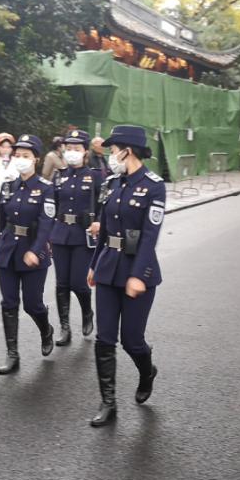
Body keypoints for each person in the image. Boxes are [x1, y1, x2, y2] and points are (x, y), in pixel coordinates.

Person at [87, 124, 164, 427]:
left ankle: (147, 371)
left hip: (137, 271)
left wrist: (138, 275)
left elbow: (149, 236)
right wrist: (94, 264)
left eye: (113, 149)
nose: (110, 155)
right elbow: (104, 232)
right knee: (104, 338)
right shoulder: (111, 184)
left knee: (131, 340)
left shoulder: (154, 185)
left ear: (127, 150)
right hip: (107, 268)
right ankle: (108, 402)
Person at [0, 133, 56, 374]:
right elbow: (1, 220)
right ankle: (12, 354)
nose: (20, 159)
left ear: (36, 160)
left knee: (32, 304)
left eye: (26, 156)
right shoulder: (8, 186)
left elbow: (47, 223)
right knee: (9, 302)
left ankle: (45, 329)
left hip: (33, 252)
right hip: (8, 251)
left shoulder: (45, 189)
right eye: (17, 155)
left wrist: (35, 250)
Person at [50, 129, 100, 346]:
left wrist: (99, 224)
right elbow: (51, 205)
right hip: (61, 233)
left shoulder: (96, 176)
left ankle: (87, 313)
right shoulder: (59, 175)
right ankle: (65, 327)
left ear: (85, 151)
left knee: (79, 284)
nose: (71, 152)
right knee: (61, 284)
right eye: (68, 148)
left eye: (76, 149)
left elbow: (102, 205)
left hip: (83, 234)